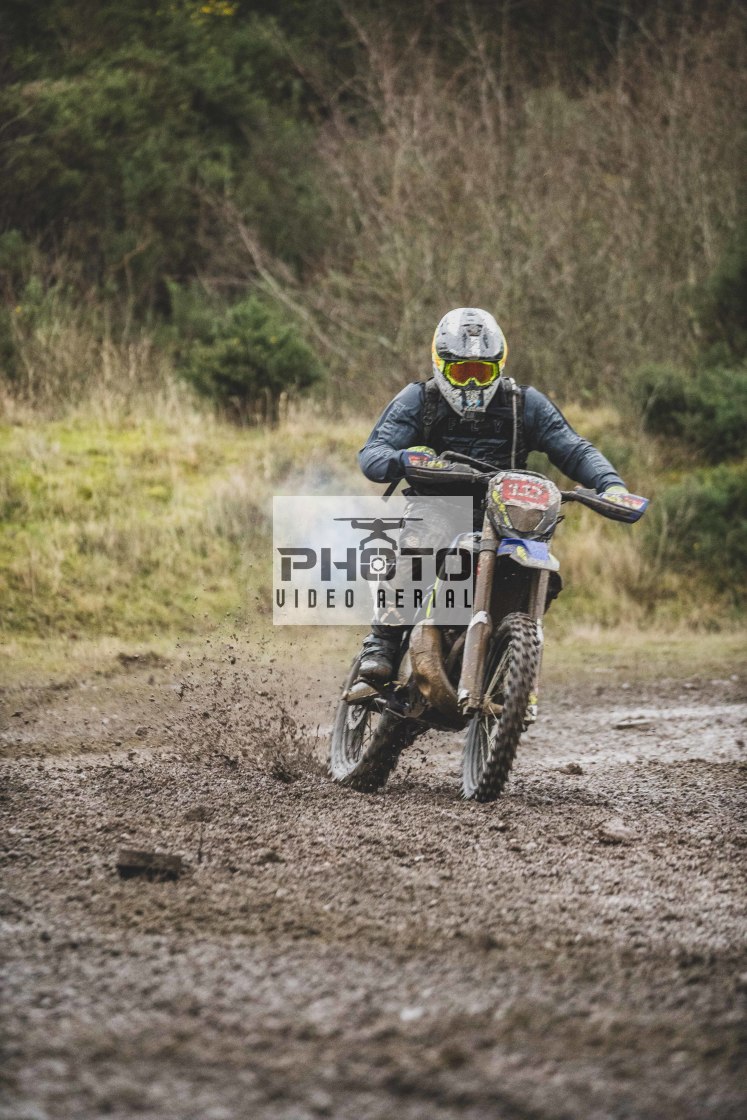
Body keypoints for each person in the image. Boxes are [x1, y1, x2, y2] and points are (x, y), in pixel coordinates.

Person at [356, 306, 629, 683]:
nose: (471, 384)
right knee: (419, 549)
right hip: (437, 507)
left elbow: (574, 449)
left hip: (507, 513)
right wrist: (404, 457)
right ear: (441, 365)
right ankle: (382, 642)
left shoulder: (524, 404)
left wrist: (610, 484)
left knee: (542, 573)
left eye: (481, 372)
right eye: (461, 371)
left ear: (498, 367)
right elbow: (372, 453)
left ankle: (507, 650)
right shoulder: (420, 400)